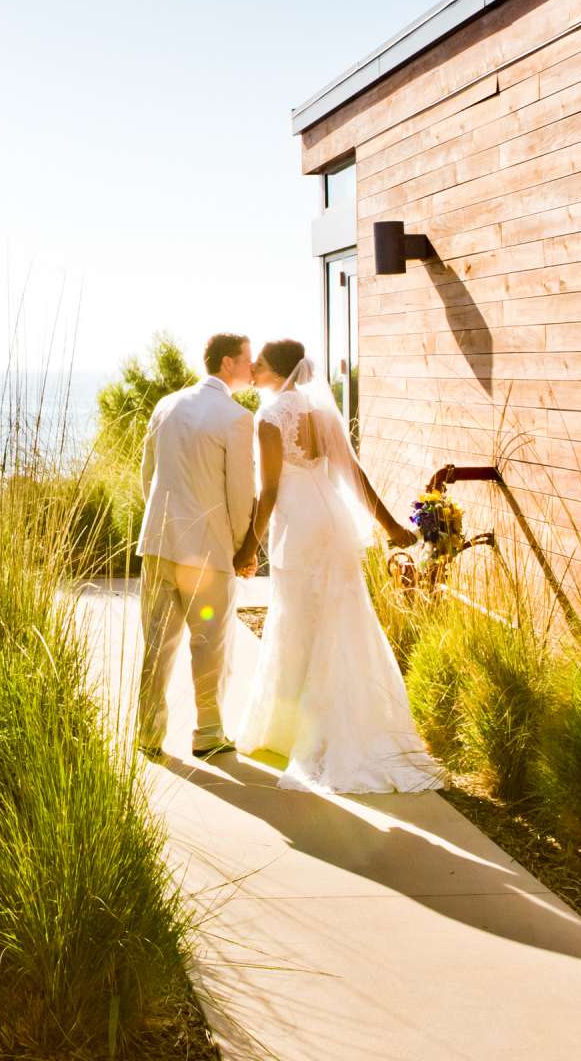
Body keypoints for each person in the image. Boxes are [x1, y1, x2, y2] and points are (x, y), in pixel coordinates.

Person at [230, 338, 442, 793]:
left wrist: (250, 547)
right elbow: (354, 475)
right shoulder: (323, 415)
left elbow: (268, 492)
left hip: (300, 528)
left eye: (260, 365)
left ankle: (295, 735)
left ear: (280, 372)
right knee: (344, 622)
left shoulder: (269, 418)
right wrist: (390, 527)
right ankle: (356, 728)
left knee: (297, 623)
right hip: (333, 523)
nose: (254, 371)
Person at [134, 332, 257, 759]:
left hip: (158, 542)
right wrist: (244, 549)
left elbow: (147, 475)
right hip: (206, 550)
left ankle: (147, 733)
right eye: (247, 359)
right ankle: (207, 732)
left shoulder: (166, 405)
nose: (253, 366)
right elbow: (241, 495)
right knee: (209, 644)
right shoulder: (236, 418)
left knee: (156, 643)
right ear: (227, 363)